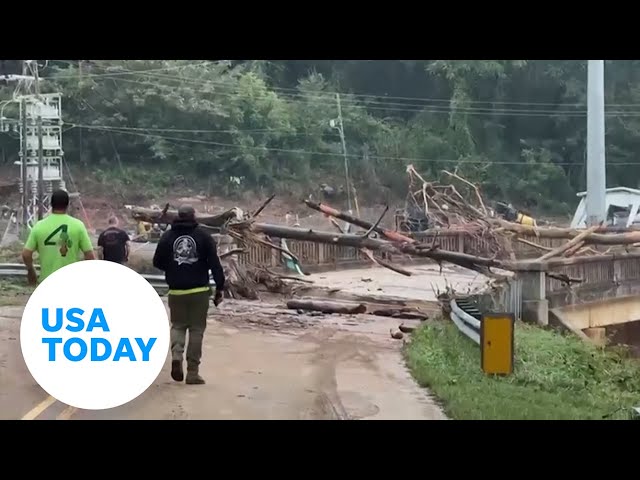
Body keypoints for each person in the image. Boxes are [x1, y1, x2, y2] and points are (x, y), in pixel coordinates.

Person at [152, 205, 225, 385]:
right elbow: (215, 264)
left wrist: (173, 268)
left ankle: (177, 357)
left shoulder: (168, 236)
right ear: (194, 217)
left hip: (176, 291)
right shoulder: (204, 237)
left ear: (178, 216)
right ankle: (193, 372)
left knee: (177, 326)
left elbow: (157, 262)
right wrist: (220, 287)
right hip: (199, 291)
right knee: (196, 330)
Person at [22, 189, 95, 285]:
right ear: (68, 205)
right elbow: (90, 256)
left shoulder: (39, 226)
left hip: (46, 283)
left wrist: (31, 270)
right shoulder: (78, 225)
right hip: (71, 283)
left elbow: (26, 254)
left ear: (51, 205)